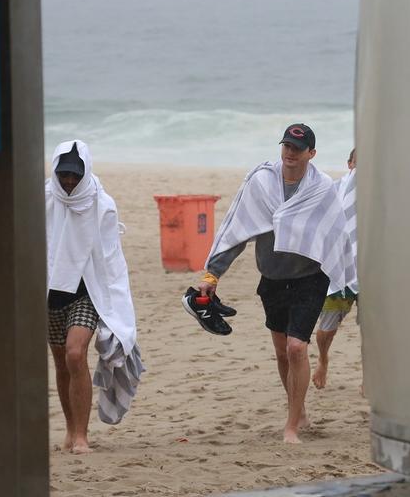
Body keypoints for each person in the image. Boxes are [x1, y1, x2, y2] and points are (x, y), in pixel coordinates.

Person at [183, 124, 356, 444]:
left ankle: (291, 427)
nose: (290, 153)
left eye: (297, 149)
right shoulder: (261, 183)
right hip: (273, 278)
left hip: (309, 279)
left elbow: (335, 233)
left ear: (311, 154)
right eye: (286, 146)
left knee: (296, 347)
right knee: (281, 353)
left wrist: (343, 273)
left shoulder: (322, 189)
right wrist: (212, 274)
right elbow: (237, 229)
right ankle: (299, 409)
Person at [45, 140, 141, 454]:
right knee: (61, 362)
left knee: (75, 354)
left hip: (87, 292)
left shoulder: (103, 205)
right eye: (64, 174)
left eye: (75, 174)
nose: (69, 181)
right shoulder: (44, 199)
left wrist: (116, 302)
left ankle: (82, 436)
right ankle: (71, 431)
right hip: (51, 293)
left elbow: (110, 259)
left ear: (85, 172)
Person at [312, 148, 358, 390]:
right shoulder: (337, 190)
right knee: (326, 329)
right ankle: (323, 359)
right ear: (349, 163)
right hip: (341, 270)